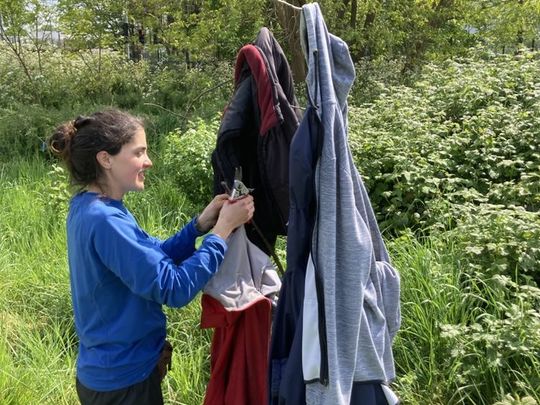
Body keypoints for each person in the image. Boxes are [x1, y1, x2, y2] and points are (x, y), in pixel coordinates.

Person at [48, 109, 254, 404]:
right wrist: (222, 232)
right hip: (124, 383)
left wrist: (198, 226)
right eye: (139, 152)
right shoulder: (105, 220)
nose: (148, 161)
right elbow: (173, 288)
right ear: (106, 159)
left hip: (110, 375)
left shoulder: (91, 206)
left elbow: (149, 262)